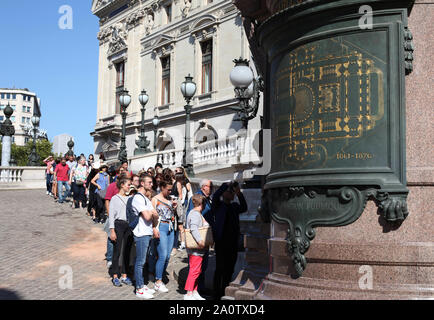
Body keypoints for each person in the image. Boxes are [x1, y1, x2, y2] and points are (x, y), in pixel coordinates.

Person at [212, 181, 247, 300]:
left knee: (230, 268)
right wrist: (226, 185)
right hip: (221, 241)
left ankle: (225, 290)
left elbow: (244, 207)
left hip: (232, 242)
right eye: (229, 192)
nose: (231, 193)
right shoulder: (218, 205)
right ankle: (216, 293)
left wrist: (238, 192)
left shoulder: (235, 207)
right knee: (220, 268)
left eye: (232, 193)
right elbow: (216, 196)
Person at [131, 175, 159, 299]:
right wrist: (151, 213)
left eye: (151, 182)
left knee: (143, 260)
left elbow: (155, 215)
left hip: (147, 232)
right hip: (141, 232)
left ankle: (142, 284)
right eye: (149, 182)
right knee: (140, 261)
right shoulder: (138, 198)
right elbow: (148, 217)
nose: (151, 184)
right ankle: (139, 288)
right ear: (142, 183)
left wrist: (151, 213)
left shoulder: (146, 199)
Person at [151, 177, 178, 293]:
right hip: (160, 226)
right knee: (162, 255)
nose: (170, 192)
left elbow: (172, 215)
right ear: (162, 187)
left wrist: (174, 208)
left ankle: (160, 275)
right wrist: (153, 228)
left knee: (167, 256)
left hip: (170, 227)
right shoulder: (155, 199)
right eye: (168, 189)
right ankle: (158, 281)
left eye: (171, 190)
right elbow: (152, 215)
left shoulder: (169, 199)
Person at [108, 177, 134, 287]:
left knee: (127, 251)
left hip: (128, 226)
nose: (129, 186)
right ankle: (115, 275)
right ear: (122, 185)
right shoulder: (115, 198)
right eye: (128, 184)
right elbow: (111, 215)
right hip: (118, 224)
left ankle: (124, 274)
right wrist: (112, 230)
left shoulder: (130, 198)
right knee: (117, 251)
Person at [184, 194, 208, 300]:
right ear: (202, 204)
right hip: (196, 248)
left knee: (197, 270)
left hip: (197, 249)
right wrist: (200, 241)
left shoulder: (196, 213)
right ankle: (189, 293)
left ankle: (194, 291)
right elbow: (194, 229)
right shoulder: (195, 214)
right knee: (194, 270)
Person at [173, 167, 192, 251]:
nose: (175, 172)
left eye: (176, 171)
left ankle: (183, 243)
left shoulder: (182, 183)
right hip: (180, 205)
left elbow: (183, 196)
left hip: (181, 206)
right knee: (179, 225)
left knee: (181, 225)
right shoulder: (176, 183)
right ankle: (181, 243)